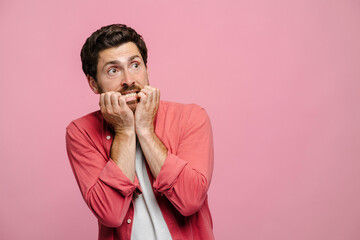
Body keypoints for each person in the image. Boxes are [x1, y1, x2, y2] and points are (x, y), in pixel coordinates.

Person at [66, 24, 214, 240]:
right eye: (113, 70)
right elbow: (110, 214)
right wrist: (125, 130)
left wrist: (145, 130)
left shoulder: (191, 117)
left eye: (135, 65)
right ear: (93, 84)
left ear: (147, 68)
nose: (128, 80)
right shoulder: (81, 132)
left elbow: (190, 200)